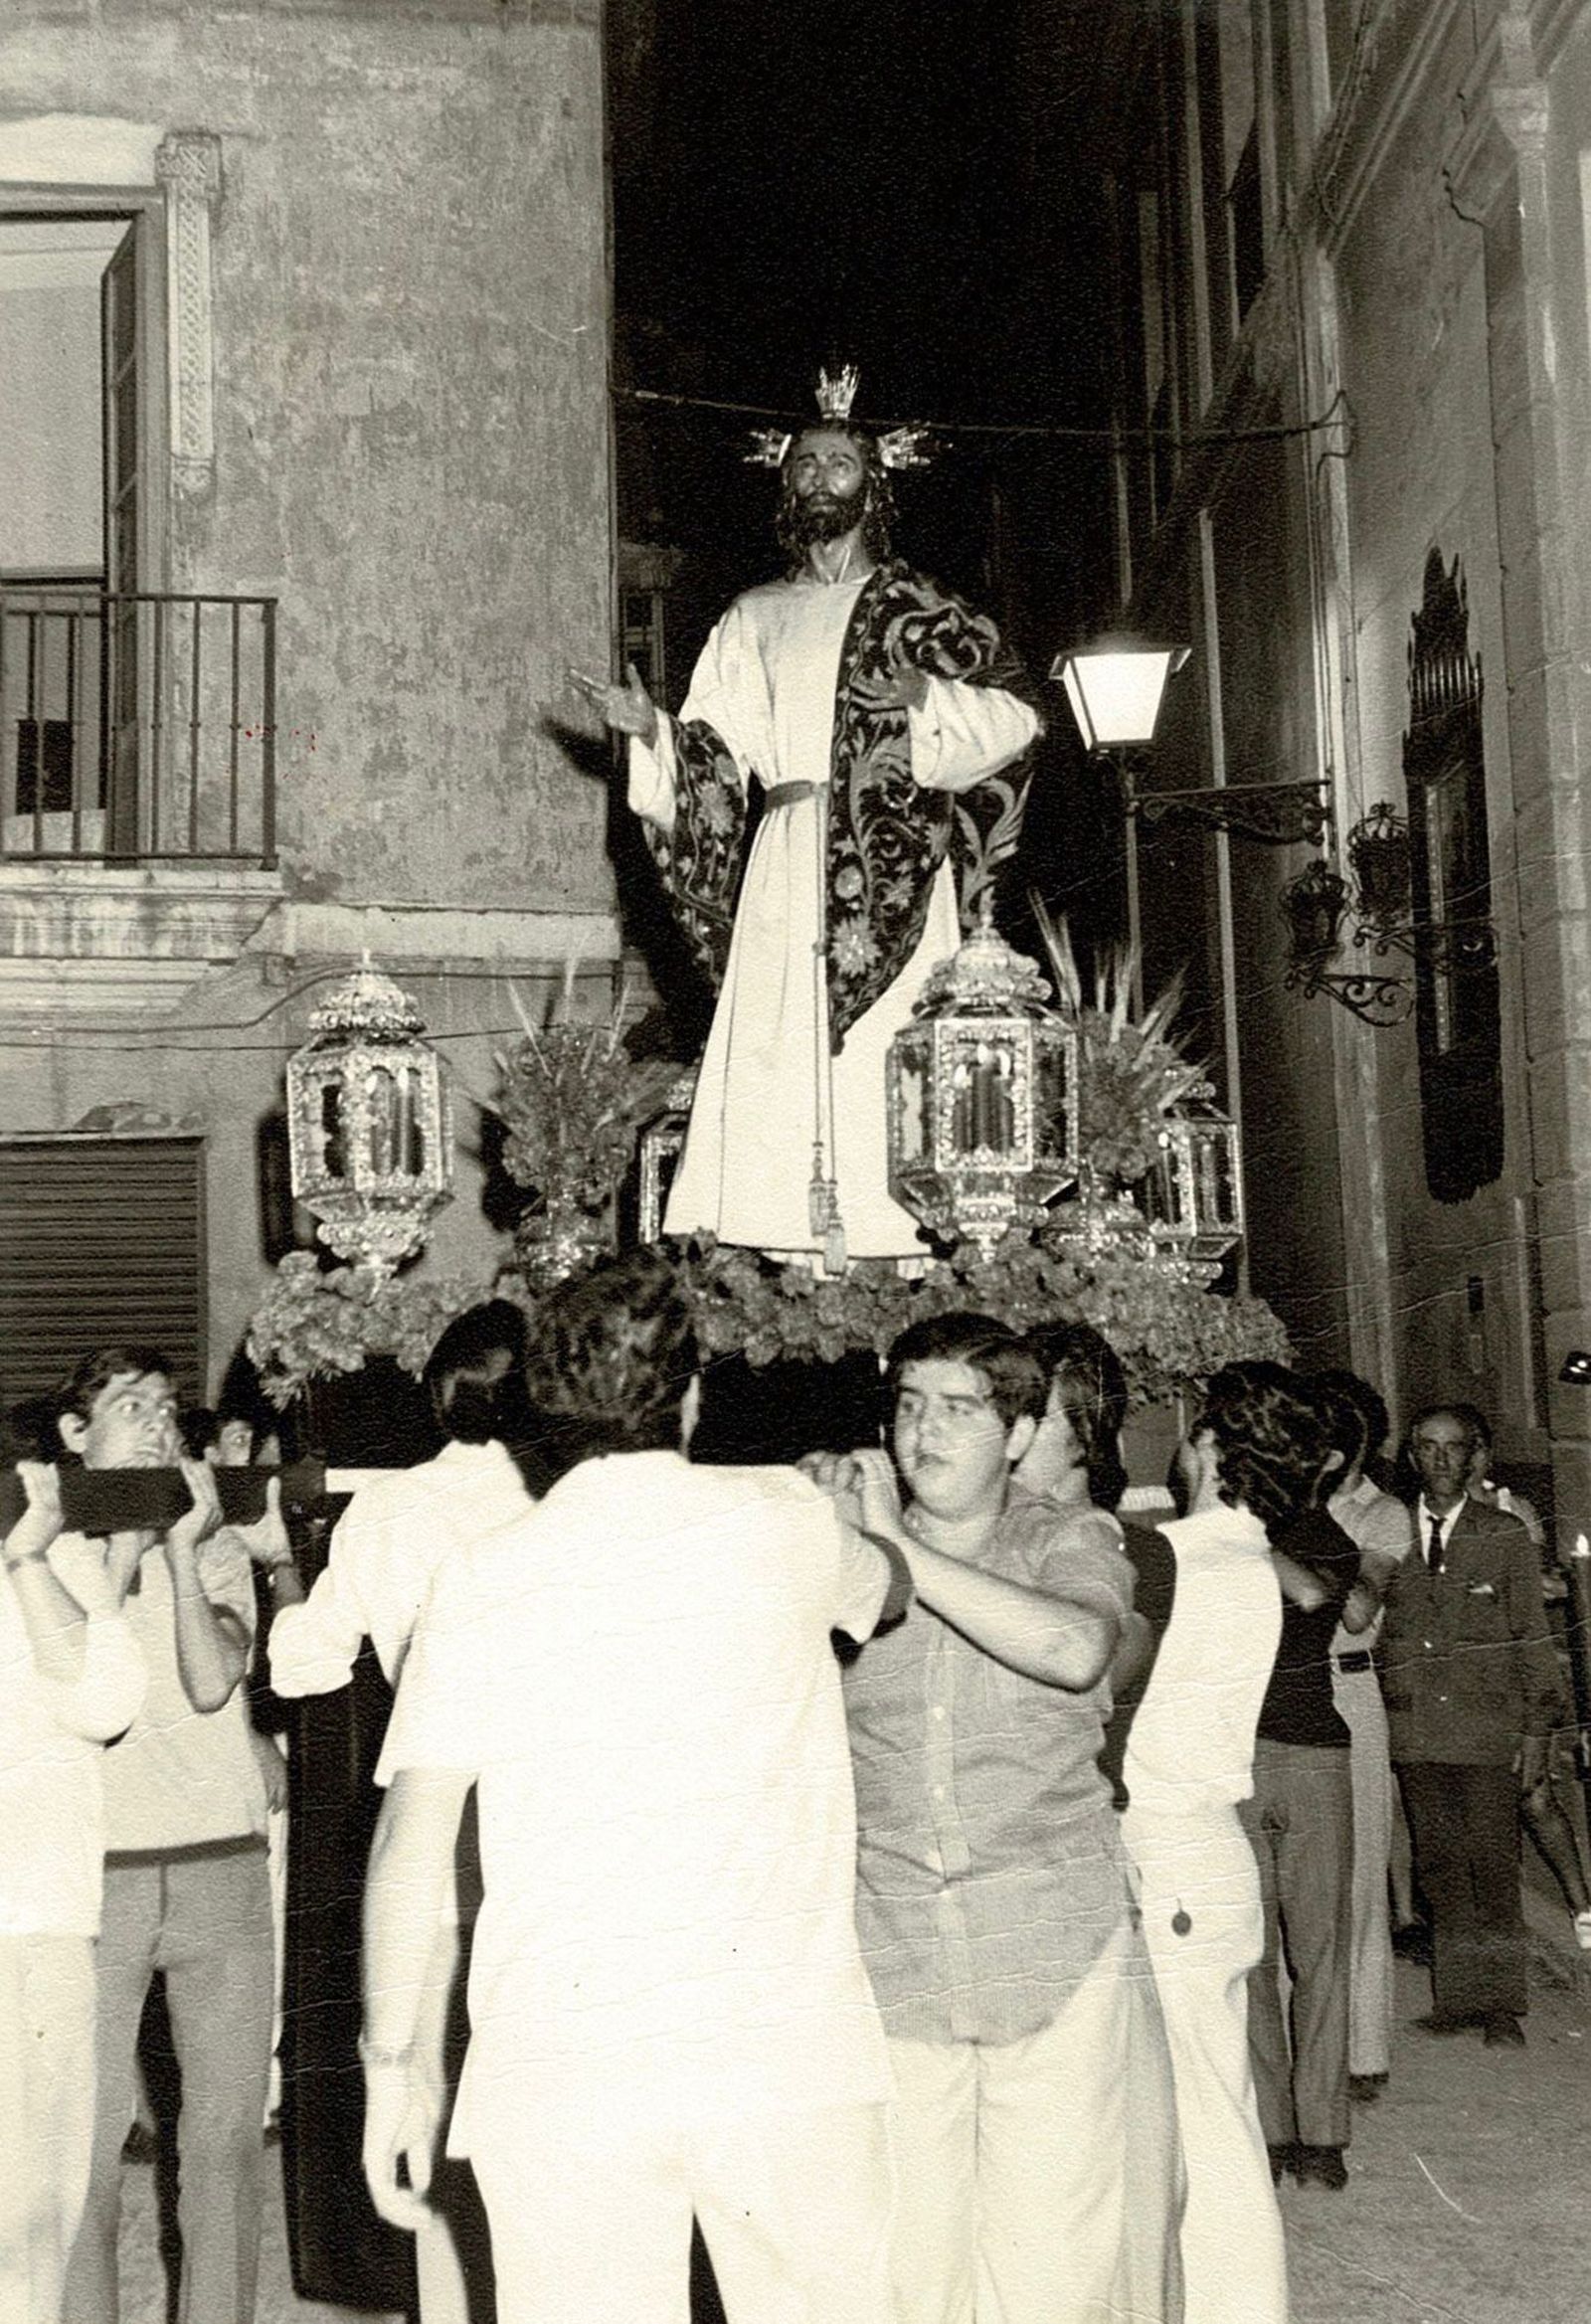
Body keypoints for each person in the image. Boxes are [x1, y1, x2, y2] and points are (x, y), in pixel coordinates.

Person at [362, 1251, 905, 2324]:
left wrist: (394, 2064)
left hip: (563, 2067)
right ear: (692, 1393)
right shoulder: (787, 1522)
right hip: (782, 2054)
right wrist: (860, 1507)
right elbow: (884, 1593)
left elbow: (408, 1846)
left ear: (543, 1406)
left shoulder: (482, 1575)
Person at [572, 367, 1042, 1264]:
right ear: (786, 487)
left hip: (896, 870)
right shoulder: (755, 615)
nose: (820, 477)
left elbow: (1017, 719)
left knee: (886, 1048)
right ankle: (786, 1237)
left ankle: (903, 1233)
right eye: (806, 466)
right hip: (788, 860)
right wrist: (653, 735)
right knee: (783, 1050)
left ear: (875, 484)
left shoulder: (925, 611)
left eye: (839, 463)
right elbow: (716, 755)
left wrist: (929, 700)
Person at [821, 1311, 1180, 2324]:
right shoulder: (837, 1546)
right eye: (907, 1406)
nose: (921, 1435)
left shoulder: (1068, 1537)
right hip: (891, 1953)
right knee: (902, 2277)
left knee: (1049, 2275)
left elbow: (1076, 1650)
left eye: (958, 1412)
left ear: (1020, 1436)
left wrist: (896, 1550)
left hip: (1050, 1948)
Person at [269, 1300, 535, 2324]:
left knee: (421, 2103)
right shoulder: (563, 1506)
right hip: (552, 1848)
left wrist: (298, 1588)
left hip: (427, 1854)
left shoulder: (390, 1509)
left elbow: (303, 1665)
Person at [58, 1348, 275, 2324]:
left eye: (164, 1408)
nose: (154, 1422)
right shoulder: (41, 1558)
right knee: (85, 2146)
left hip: (221, 1866)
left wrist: (183, 1553)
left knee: (223, 2142)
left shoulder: (219, 1550)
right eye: (127, 1405)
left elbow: (207, 1680)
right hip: (92, 1881)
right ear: (75, 1434)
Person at [1119, 1361, 1329, 2324]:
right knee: (1216, 2102)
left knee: (1202, 2122)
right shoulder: (1247, 1559)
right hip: (1206, 1854)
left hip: (1168, 1853)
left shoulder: (1176, 1559)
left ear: (1208, 1448)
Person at [2, 1456, 146, 2324]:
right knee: (26, 2206)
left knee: (39, 2204)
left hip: (45, 1915)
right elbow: (104, 1703)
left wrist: (102, 1580)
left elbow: (98, 1701)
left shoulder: (47, 1569)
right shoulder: (32, 1573)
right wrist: (70, 1583)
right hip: (25, 1923)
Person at [1382, 1403, 1571, 2047]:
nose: (1439, 1459)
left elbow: (1533, 1641)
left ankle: (1500, 2005)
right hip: (1417, 1734)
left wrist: (1538, 1733)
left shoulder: (1503, 1535)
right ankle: (1460, 1995)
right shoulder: (1389, 1532)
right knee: (1439, 1866)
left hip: (1489, 1732)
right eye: (1427, 1447)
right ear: (1413, 1458)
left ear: (1473, 1457)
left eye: (1452, 1447)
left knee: (1492, 1865)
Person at [1238, 1383, 1362, 2193]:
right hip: (1237, 1754)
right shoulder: (1239, 1531)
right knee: (1249, 1955)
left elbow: (1315, 1594)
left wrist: (1235, 1536)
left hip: (1315, 1756)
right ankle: (1272, 2131)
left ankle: (1321, 2131)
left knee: (1320, 1955)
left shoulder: (1327, 1538)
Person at [1308, 1368, 1413, 2102]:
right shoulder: (1281, 1503)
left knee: (1361, 1867)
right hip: (1284, 1688)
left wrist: (1309, 1522)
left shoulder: (1385, 1515)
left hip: (1350, 1686)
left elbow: (1356, 1610)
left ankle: (1364, 2048)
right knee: (1303, 1875)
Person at [1456, 1416, 1591, 1951]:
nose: (1469, 1461)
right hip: (1461, 1674)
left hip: (1512, 1673)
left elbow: (1535, 1585)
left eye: (1477, 1449)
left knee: (1535, 1795)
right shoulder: (1428, 1512)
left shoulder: (1513, 1509)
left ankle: (1582, 1904)